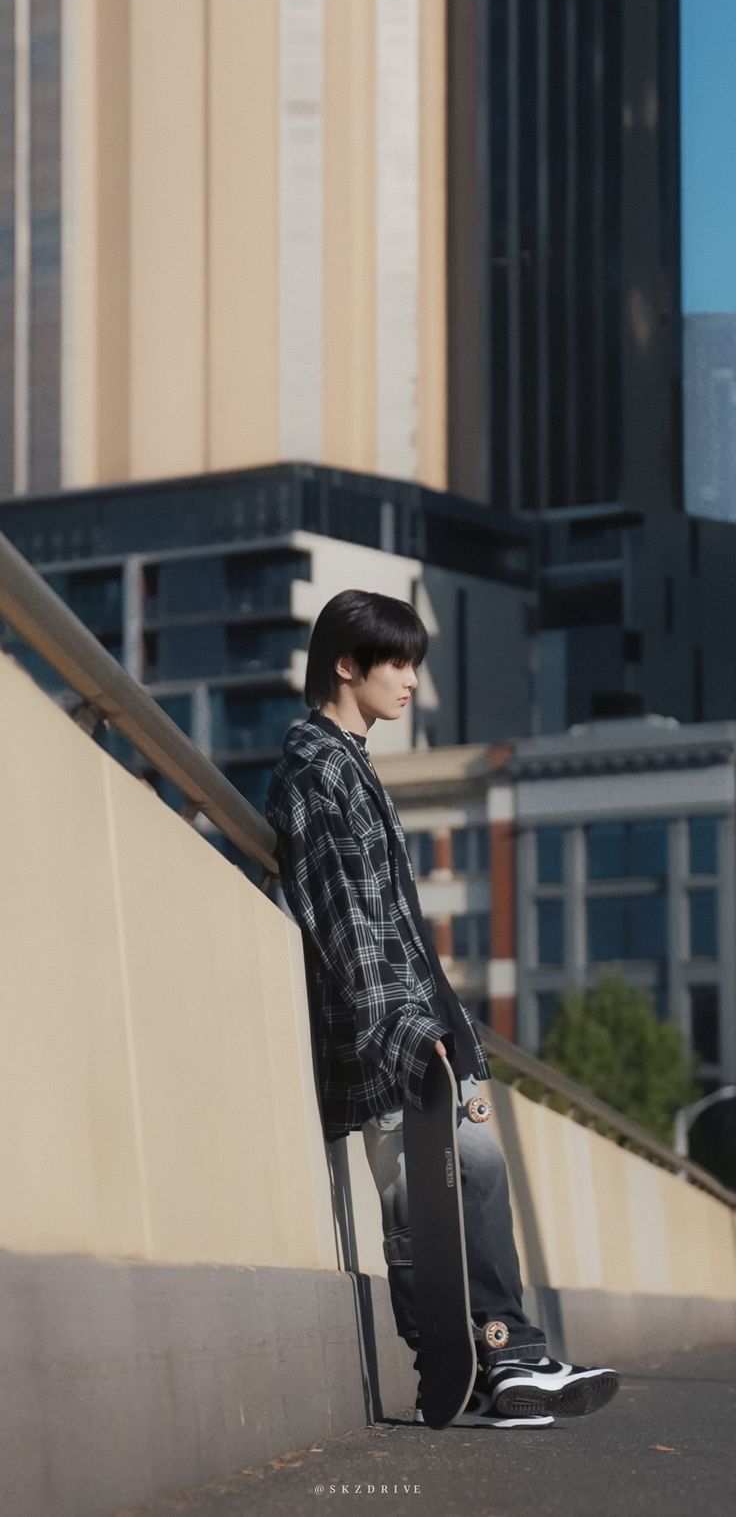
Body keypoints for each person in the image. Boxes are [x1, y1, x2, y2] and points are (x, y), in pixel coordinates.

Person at [265, 589, 619, 1429]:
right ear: (347, 665)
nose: (413, 682)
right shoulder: (316, 765)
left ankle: (512, 1358)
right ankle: (487, 1361)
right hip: (392, 1038)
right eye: (399, 663)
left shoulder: (350, 761)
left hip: (427, 1029)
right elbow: (347, 920)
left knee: (472, 1185)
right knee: (425, 1203)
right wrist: (406, 1036)